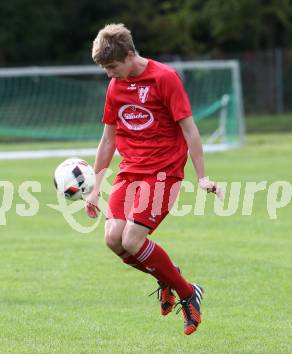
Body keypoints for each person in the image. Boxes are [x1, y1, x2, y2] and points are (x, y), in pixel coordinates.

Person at [86, 23, 222, 335]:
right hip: (130, 170)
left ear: (130, 54)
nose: (109, 74)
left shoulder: (164, 78)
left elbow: (190, 130)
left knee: (132, 240)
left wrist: (202, 177)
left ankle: (188, 293)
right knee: (112, 239)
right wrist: (95, 188)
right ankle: (168, 275)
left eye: (112, 67)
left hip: (164, 172)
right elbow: (108, 140)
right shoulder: (115, 87)